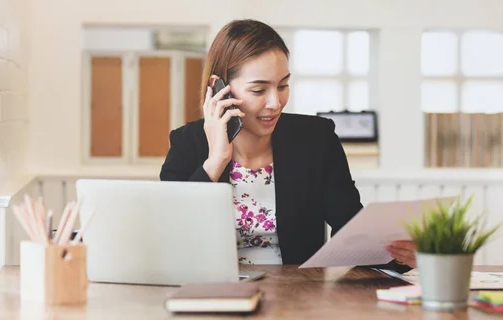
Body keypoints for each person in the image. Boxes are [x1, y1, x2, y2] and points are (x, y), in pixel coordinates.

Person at [160, 19, 416, 272]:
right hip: (212, 295)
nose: (275, 102)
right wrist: (215, 161)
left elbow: (351, 231)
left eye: (283, 86)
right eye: (259, 90)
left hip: (297, 295)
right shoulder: (186, 143)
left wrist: (401, 254)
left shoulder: (316, 139)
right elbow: (171, 236)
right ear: (220, 89)